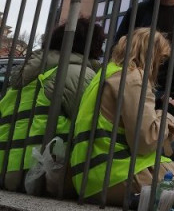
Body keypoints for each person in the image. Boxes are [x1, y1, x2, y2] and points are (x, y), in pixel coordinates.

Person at [70, 28, 174, 205]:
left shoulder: (106, 73)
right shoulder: (133, 76)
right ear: (151, 53)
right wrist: (167, 115)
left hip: (89, 178)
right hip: (115, 176)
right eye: (160, 58)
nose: (160, 65)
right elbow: (145, 141)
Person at [0, 17, 105, 192]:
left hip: (7, 172)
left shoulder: (24, 77)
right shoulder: (77, 74)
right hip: (38, 175)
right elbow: (88, 124)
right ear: (92, 45)